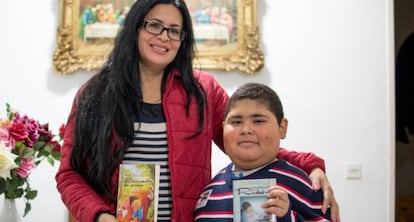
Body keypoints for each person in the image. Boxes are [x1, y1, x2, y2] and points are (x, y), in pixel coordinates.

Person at [55, 1, 339, 222]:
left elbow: (243, 140)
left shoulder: (204, 90)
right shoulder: (95, 94)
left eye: (174, 30)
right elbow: (69, 175)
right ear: (134, 28)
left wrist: (309, 163)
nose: (164, 37)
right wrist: (101, 216)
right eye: (154, 25)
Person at [194, 83, 332, 221]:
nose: (246, 129)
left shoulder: (301, 184)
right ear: (223, 128)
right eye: (236, 122)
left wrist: (287, 218)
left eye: (258, 121)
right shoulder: (209, 190)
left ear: (282, 127)